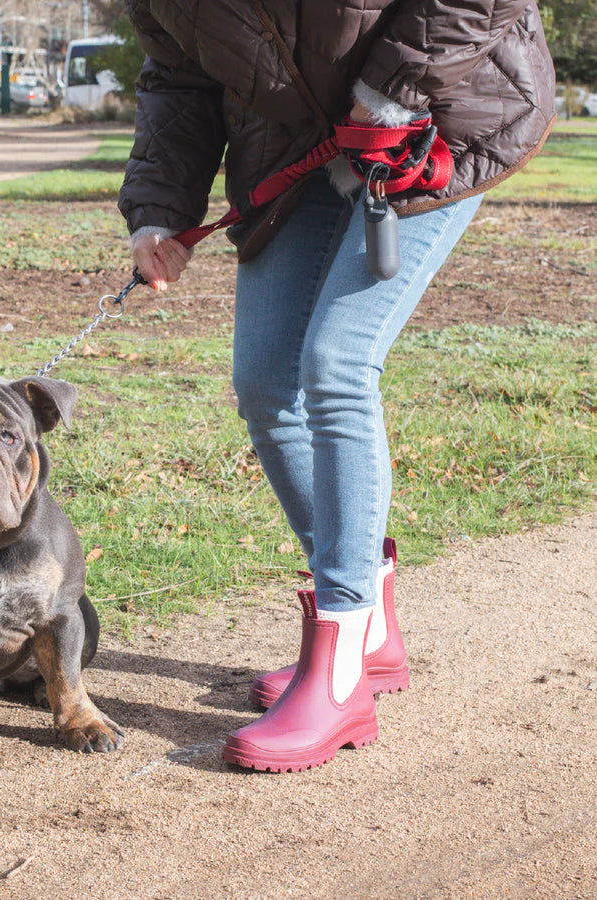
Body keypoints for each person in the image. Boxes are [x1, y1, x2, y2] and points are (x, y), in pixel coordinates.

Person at [118, 1, 555, 773]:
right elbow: (179, 78)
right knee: (263, 382)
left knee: (337, 363)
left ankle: (341, 667)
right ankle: (370, 634)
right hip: (294, 144)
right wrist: (159, 210)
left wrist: (392, 93)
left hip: (441, 114)